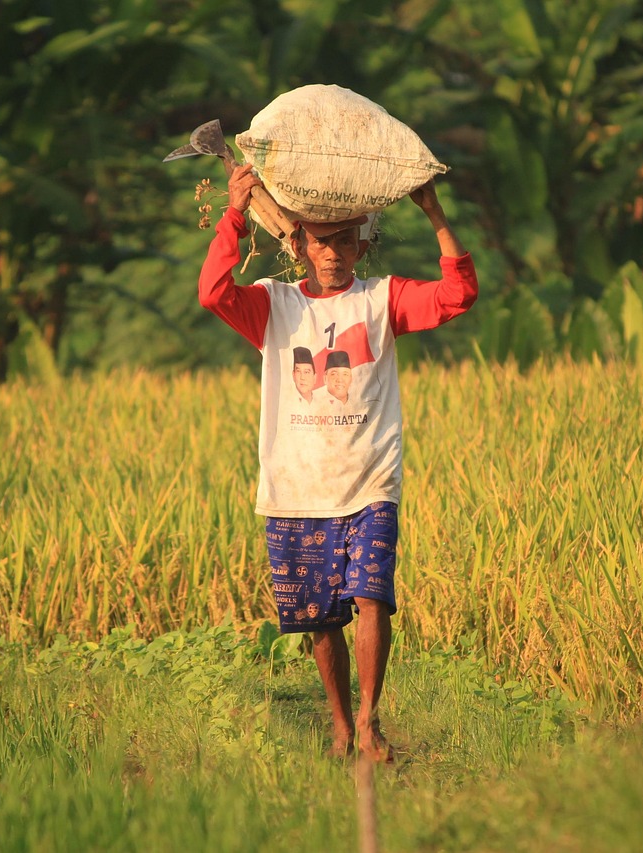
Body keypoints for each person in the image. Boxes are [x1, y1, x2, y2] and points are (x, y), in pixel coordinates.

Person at [198, 162, 477, 762]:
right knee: (321, 620)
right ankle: (341, 725)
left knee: (373, 596)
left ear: (363, 244)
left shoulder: (381, 300)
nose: (334, 253)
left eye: (347, 240)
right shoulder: (272, 307)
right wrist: (235, 216)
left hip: (370, 479)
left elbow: (458, 295)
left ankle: (372, 721)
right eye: (322, 241)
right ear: (297, 244)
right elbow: (211, 293)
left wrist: (434, 213)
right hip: (298, 486)